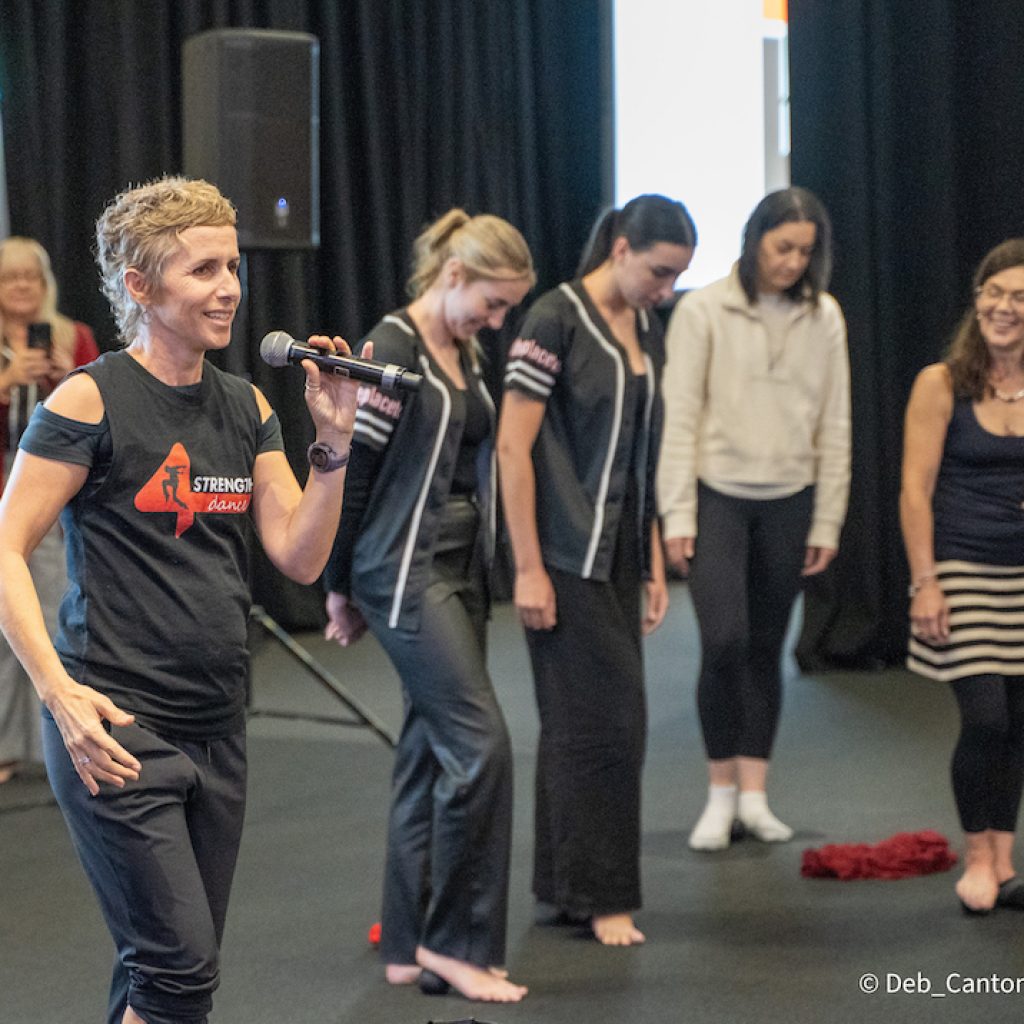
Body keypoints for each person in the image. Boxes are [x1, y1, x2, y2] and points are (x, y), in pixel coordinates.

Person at [0, 176, 361, 1024]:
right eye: (202, 270)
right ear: (139, 286)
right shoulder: (89, 399)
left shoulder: (243, 405)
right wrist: (59, 696)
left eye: (231, 265)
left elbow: (299, 558)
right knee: (180, 970)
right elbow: (6, 548)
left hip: (218, 725)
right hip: (115, 729)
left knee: (161, 975)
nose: (229, 286)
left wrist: (333, 446)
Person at [323, 209, 534, 1001]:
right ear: (454, 276)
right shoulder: (393, 348)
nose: (500, 319)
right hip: (403, 573)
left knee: (426, 752)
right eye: (493, 302)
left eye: (509, 308)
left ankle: (407, 942)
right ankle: (457, 942)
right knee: (483, 748)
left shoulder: (465, 347)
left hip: (461, 567)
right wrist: (338, 586)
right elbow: (356, 474)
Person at [496, 194, 696, 946]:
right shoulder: (553, 318)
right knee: (611, 726)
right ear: (619, 248)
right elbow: (514, 449)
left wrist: (648, 557)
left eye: (677, 277)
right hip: (559, 554)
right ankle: (604, 896)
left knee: (576, 728)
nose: (667, 289)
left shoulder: (647, 324)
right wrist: (527, 568)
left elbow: (640, 453)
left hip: (616, 551)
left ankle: (563, 888)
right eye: (659, 272)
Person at [657, 186, 850, 852]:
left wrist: (827, 522)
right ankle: (718, 793)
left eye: (806, 251)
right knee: (725, 642)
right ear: (754, 240)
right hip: (718, 499)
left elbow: (836, 422)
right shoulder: (704, 309)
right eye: (782, 247)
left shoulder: (824, 316)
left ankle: (755, 795)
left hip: (791, 499)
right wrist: (676, 513)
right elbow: (678, 416)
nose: (794, 262)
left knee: (767, 649)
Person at [901, 238, 1024, 915]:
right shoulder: (941, 382)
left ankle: (1005, 860)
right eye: (994, 293)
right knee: (984, 718)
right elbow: (913, 490)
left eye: (1019, 298)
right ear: (977, 299)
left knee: (1018, 724)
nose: (1003, 308)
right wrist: (926, 582)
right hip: (962, 569)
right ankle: (976, 855)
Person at [0, 236, 99, 784]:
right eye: (9, 277)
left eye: (30, 278)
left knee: (55, 616)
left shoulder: (74, 336)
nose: (21, 287)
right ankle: (5, 747)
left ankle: (60, 736)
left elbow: (96, 412)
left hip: (54, 498)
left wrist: (63, 383)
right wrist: (7, 383)